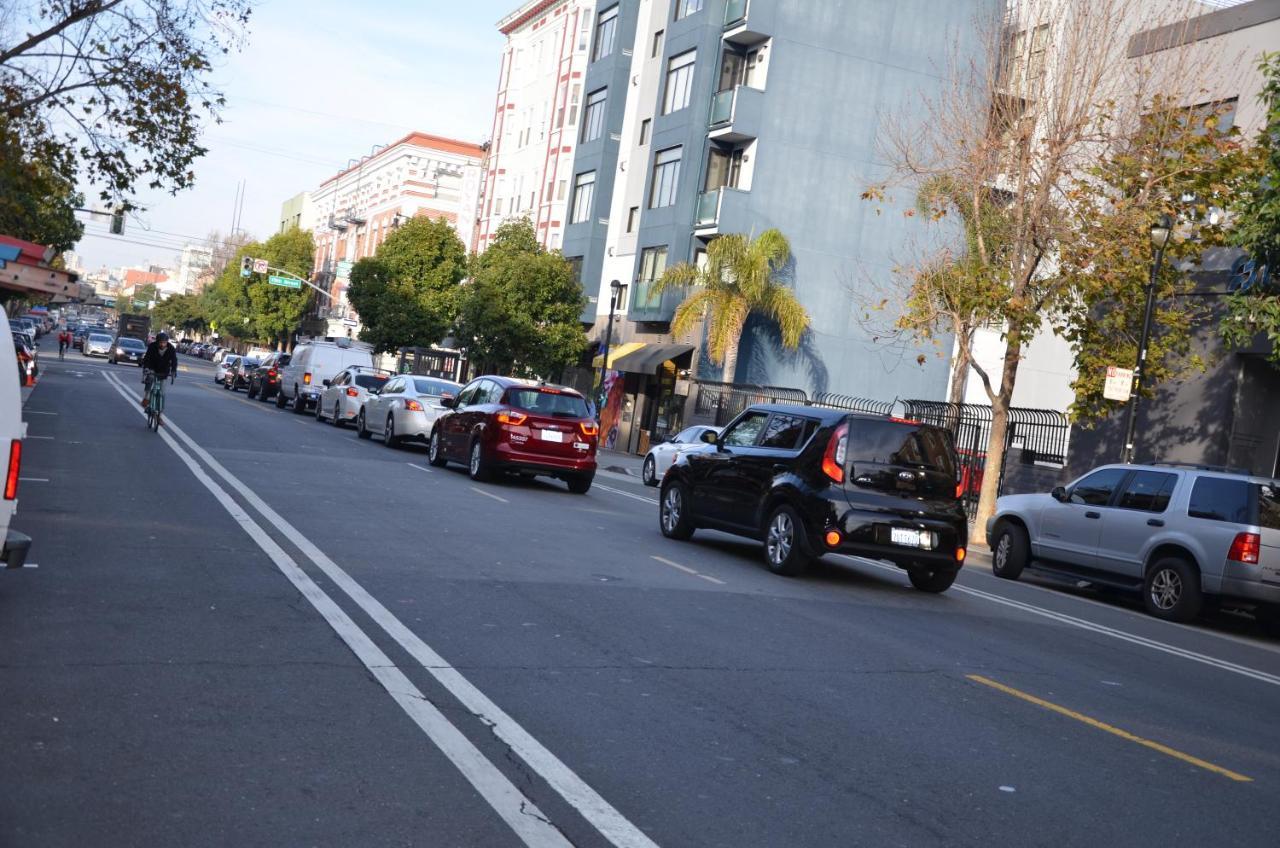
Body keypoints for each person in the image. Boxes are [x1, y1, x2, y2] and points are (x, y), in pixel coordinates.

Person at [141, 331, 178, 409]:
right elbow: (147, 358)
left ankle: (159, 414)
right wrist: (146, 368)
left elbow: (174, 360)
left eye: (164, 342)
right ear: (157, 342)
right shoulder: (152, 346)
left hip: (164, 370)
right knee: (150, 378)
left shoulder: (171, 348)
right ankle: (146, 397)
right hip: (152, 368)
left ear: (167, 342)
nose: (162, 344)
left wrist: (173, 371)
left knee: (162, 391)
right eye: (160, 342)